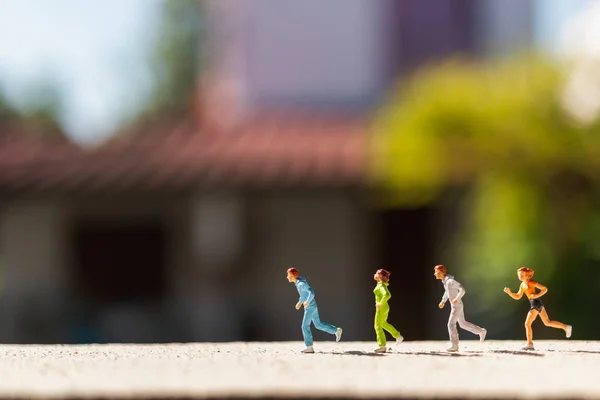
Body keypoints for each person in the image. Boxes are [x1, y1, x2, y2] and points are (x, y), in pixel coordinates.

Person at [504, 267, 572, 350]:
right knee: (547, 322)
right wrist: (510, 292)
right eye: (519, 274)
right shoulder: (522, 285)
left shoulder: (531, 282)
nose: (520, 276)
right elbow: (518, 296)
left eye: (522, 274)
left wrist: (536, 295)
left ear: (527, 275)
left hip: (535, 303)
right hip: (536, 303)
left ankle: (530, 343)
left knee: (527, 323)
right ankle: (565, 327)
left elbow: (544, 289)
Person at [286, 268, 342, 353]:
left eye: (288, 275)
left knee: (305, 326)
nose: (287, 277)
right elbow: (303, 294)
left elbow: (311, 292)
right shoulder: (298, 284)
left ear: (293, 275)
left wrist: (307, 301)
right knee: (318, 324)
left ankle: (309, 347)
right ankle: (336, 330)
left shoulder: (301, 284)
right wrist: (300, 302)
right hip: (312, 306)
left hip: (310, 307)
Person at [434, 264, 487, 352]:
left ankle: (454, 345)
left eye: (436, 272)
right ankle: (481, 331)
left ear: (440, 272)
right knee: (463, 324)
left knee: (451, 324)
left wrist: (457, 298)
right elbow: (447, 292)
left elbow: (462, 289)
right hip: (455, 305)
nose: (434, 274)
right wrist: (443, 301)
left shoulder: (450, 281)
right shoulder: (445, 282)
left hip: (457, 306)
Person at [372, 269, 403, 353]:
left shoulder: (381, 286)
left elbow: (387, 294)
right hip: (384, 307)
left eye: (377, 273)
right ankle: (398, 336)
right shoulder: (380, 284)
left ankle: (382, 346)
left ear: (381, 276)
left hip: (381, 307)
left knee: (377, 326)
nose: (375, 274)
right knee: (383, 323)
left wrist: (380, 303)